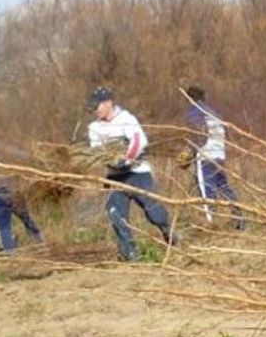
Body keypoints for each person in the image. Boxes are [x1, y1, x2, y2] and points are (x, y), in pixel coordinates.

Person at [86, 86, 176, 261]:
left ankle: (167, 230)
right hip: (115, 177)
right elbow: (97, 151)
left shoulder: (127, 119)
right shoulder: (94, 127)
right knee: (115, 213)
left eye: (97, 106)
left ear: (108, 103)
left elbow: (139, 141)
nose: (94, 110)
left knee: (153, 211)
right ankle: (130, 253)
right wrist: (108, 161)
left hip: (137, 172)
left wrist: (125, 159)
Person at [182, 85, 247, 230]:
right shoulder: (213, 113)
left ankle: (210, 225)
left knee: (206, 190)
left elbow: (199, 135)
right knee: (224, 187)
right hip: (219, 155)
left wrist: (190, 154)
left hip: (205, 155)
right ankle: (239, 218)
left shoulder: (194, 112)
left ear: (189, 98)